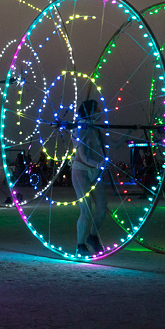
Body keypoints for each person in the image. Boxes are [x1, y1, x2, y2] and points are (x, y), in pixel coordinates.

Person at [72, 99, 107, 254]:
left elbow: (115, 143)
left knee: (102, 208)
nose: (99, 111)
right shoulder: (79, 128)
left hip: (95, 171)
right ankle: (80, 245)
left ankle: (92, 236)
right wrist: (99, 164)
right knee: (86, 211)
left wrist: (130, 132)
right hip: (81, 170)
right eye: (96, 109)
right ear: (89, 111)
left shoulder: (96, 128)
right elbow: (83, 156)